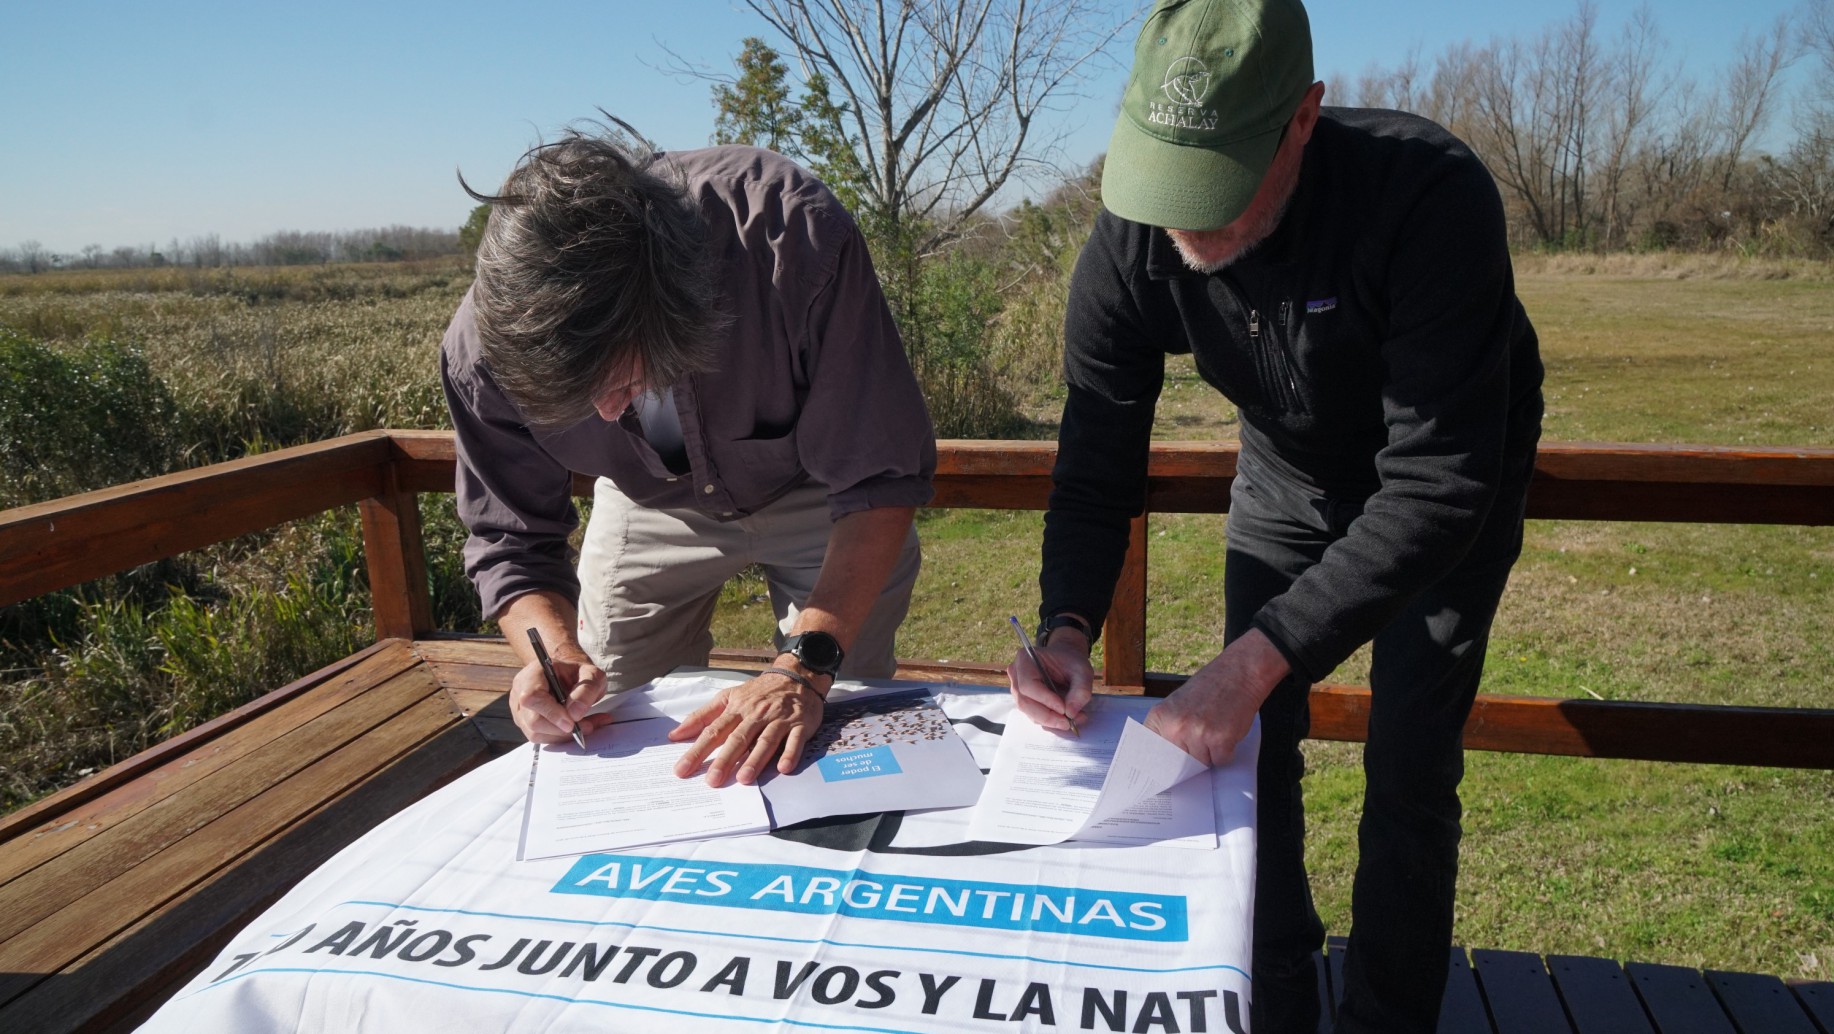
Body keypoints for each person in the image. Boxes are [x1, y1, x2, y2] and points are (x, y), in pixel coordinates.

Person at [1006, 1, 1545, 1031]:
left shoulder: (1430, 196)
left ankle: (1387, 1016)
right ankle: (1273, 997)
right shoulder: (1133, 229)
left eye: (1216, 189)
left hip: (1447, 477)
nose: (1186, 226)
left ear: (1304, 116)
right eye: (1169, 185)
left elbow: (1438, 483)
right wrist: (1069, 618)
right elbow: (1096, 451)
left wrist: (1257, 654)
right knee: (1253, 754)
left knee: (1409, 767)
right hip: (1287, 473)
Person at [442, 122, 935, 790]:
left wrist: (805, 664)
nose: (609, 415)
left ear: (671, 307)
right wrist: (551, 653)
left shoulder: (789, 234)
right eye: (574, 404)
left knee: (835, 705)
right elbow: (511, 539)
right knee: (609, 718)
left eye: (616, 384)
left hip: (824, 491)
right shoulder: (481, 354)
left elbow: (879, 477)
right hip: (645, 496)